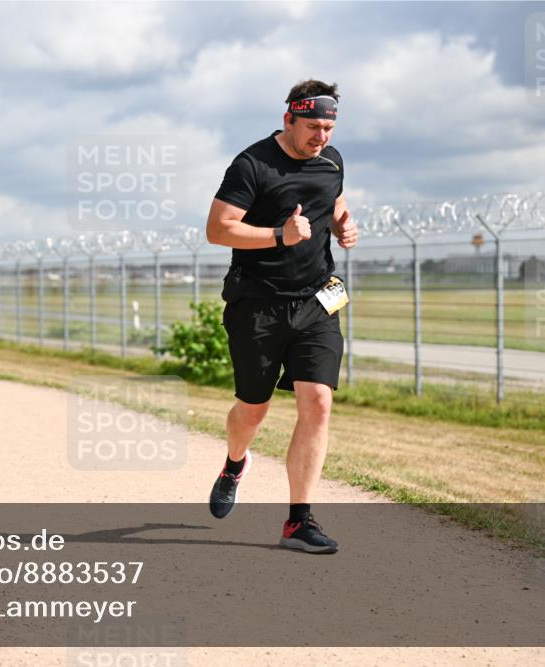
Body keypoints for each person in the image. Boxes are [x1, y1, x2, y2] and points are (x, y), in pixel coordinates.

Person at [204, 79, 359, 554]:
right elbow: (218, 229)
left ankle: (298, 522)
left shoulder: (331, 161)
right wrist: (279, 235)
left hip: (317, 302)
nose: (321, 137)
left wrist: (344, 224)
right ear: (289, 118)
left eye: (328, 128)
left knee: (318, 402)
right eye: (312, 127)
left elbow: (334, 202)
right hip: (257, 304)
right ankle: (235, 462)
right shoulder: (253, 164)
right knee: (254, 407)